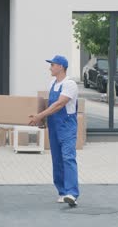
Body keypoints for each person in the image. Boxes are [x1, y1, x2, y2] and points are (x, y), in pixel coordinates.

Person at [29, 55, 80, 207]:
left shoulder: (70, 84)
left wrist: (39, 116)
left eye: (52, 65)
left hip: (66, 126)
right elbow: (49, 105)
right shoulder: (52, 83)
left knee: (68, 157)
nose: (50, 68)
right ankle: (62, 191)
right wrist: (42, 119)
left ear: (61, 67)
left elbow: (59, 105)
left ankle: (72, 193)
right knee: (57, 159)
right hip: (54, 125)